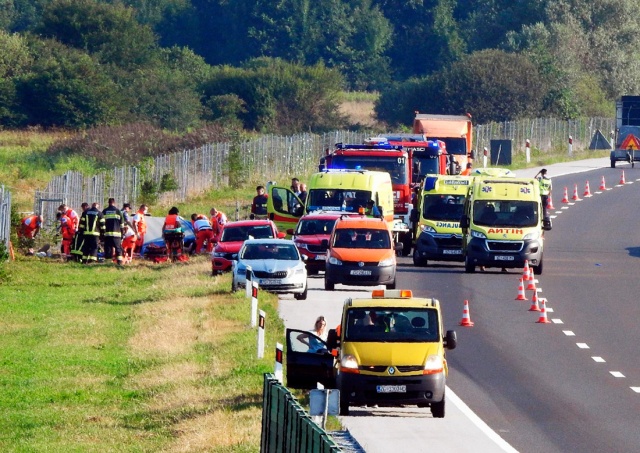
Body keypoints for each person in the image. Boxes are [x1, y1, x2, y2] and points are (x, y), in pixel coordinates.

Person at [102, 198, 125, 265]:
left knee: (108, 249)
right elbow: (122, 224)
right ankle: (119, 262)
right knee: (118, 248)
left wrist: (102, 233)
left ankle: (108, 263)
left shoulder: (105, 211)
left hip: (107, 234)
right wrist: (122, 233)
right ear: (114, 203)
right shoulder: (118, 211)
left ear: (108, 203)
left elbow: (102, 223)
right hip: (117, 234)